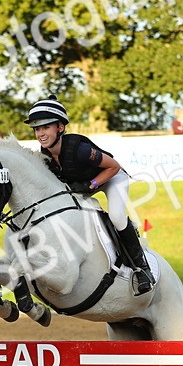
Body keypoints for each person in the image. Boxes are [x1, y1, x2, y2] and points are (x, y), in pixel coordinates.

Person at [26, 98, 155, 296]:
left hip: (111, 177)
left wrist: (91, 185)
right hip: (85, 184)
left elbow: (114, 166)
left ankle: (142, 269)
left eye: (45, 127)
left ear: (60, 127)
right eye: (36, 129)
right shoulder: (45, 155)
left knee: (116, 216)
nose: (40, 134)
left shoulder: (80, 150)